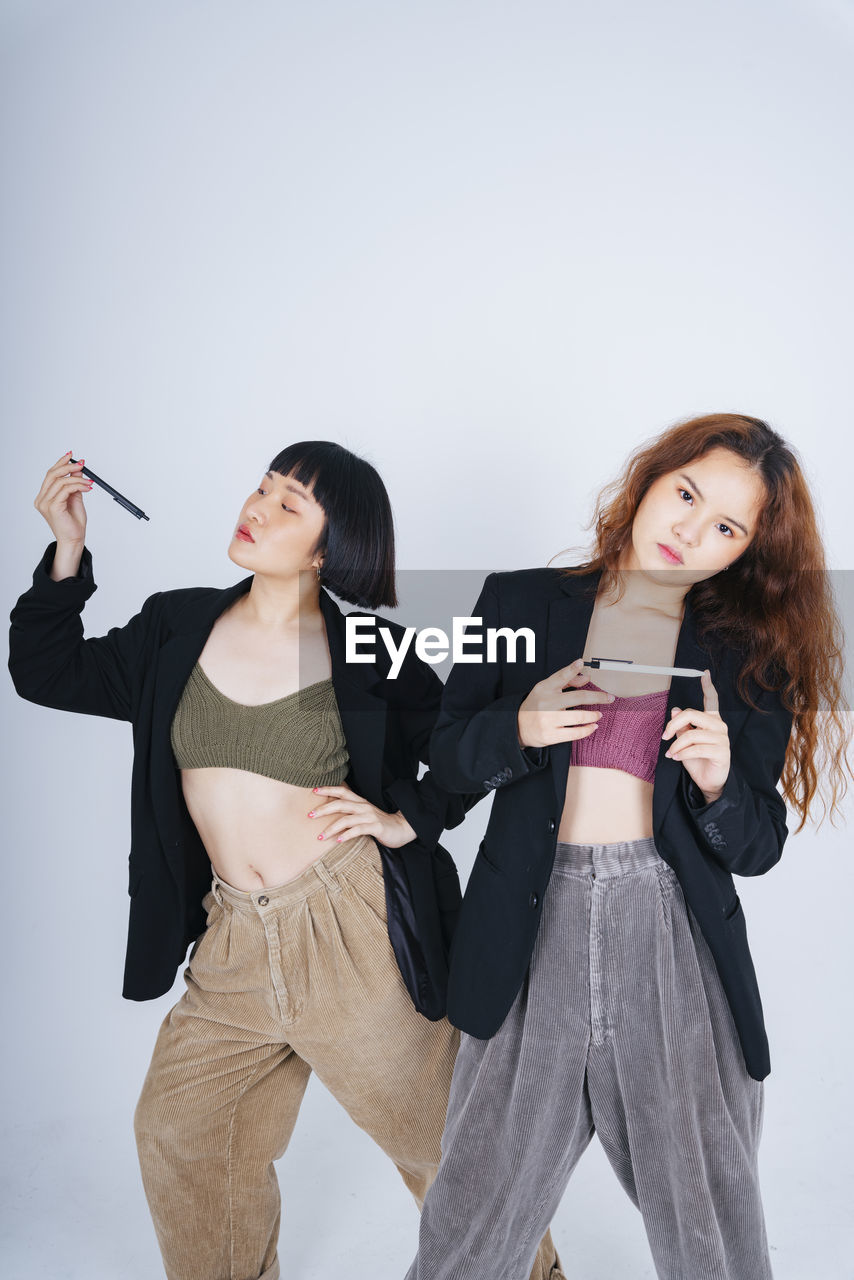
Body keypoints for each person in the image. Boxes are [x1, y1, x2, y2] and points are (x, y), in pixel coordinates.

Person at [8, 443, 565, 1280]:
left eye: (289, 505)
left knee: (445, 1149)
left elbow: (451, 750)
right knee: (180, 1132)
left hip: (350, 932)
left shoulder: (373, 647)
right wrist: (67, 550)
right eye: (262, 488)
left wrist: (407, 819)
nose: (257, 508)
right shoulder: (175, 625)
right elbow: (45, 671)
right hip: (230, 940)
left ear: (326, 549)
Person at [404, 413, 852, 1280]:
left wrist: (721, 781)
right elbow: (449, 759)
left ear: (746, 551)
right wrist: (522, 726)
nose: (691, 530)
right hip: (527, 920)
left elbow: (757, 845)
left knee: (707, 1211)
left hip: (670, 933)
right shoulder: (520, 601)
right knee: (476, 1206)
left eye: (726, 526)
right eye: (686, 495)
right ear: (651, 478)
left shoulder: (748, 656)